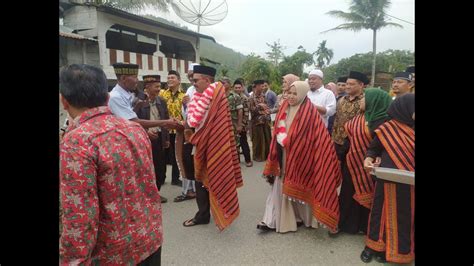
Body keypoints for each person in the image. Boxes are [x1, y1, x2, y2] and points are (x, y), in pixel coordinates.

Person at [60, 64, 163, 265]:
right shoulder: (135, 130)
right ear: (107, 98)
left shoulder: (77, 142)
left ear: (64, 101)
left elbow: (79, 216)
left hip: (112, 255)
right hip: (149, 241)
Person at [258, 81, 341, 233]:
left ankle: (303, 218)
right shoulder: (284, 107)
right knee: (280, 185)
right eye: (289, 93)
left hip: (304, 158)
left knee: (303, 186)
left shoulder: (310, 112)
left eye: (295, 94)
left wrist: (298, 146)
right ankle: (271, 220)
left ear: (303, 94)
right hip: (283, 157)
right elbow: (277, 131)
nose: (291, 96)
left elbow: (317, 138)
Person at [182, 65, 243, 230]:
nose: (193, 83)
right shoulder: (197, 97)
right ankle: (203, 215)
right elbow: (193, 121)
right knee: (200, 179)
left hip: (215, 145)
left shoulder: (218, 98)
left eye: (195, 80)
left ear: (207, 80)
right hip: (200, 144)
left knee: (212, 178)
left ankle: (214, 212)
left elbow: (217, 125)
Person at [360, 93, 415, 264]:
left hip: (409, 184)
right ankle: (373, 246)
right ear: (405, 108)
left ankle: (399, 250)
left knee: (404, 216)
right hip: (385, 180)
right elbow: (373, 148)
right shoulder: (388, 128)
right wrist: (368, 158)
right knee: (379, 214)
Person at [330, 70, 370, 237]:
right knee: (344, 184)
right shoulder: (341, 100)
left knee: (358, 184)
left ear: (362, 86)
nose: (347, 87)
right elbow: (337, 123)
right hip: (339, 146)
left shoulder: (366, 101)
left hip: (358, 149)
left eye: (352, 84)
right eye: (347, 84)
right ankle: (342, 220)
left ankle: (361, 224)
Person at [343, 88, 392, 211]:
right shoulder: (360, 117)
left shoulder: (384, 121)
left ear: (374, 100)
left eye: (365, 97)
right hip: (353, 163)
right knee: (349, 193)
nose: (361, 100)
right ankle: (349, 225)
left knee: (374, 194)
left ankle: (365, 226)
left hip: (373, 164)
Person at [108, 62, 179, 131]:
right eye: (135, 77)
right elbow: (134, 121)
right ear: (123, 78)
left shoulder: (129, 95)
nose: (137, 81)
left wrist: (137, 106)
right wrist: (166, 122)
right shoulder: (115, 97)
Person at [135, 75, 171, 203]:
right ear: (147, 87)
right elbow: (133, 122)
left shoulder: (162, 101)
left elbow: (165, 121)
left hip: (159, 137)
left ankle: (156, 191)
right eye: (156, 87)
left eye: (159, 86)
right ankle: (148, 194)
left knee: (160, 167)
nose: (159, 89)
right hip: (145, 138)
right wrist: (145, 131)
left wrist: (166, 138)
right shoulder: (138, 102)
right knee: (146, 167)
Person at [173, 63, 199, 202]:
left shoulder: (206, 91)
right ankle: (189, 190)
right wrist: (185, 105)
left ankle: (198, 190)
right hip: (188, 128)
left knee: (195, 160)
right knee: (186, 159)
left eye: (192, 74)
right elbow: (187, 112)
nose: (190, 77)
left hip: (199, 130)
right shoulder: (189, 89)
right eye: (188, 74)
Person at [160, 70, 187, 186]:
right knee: (162, 155)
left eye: (173, 78)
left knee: (176, 154)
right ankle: (161, 178)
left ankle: (175, 178)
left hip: (178, 130)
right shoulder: (162, 95)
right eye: (168, 77)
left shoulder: (184, 96)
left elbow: (186, 113)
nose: (170, 79)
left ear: (179, 80)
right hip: (165, 129)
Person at [249, 80, 272, 162]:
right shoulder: (251, 97)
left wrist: (266, 112)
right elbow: (252, 110)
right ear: (256, 87)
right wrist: (260, 106)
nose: (263, 88)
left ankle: (267, 155)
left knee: (267, 138)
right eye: (261, 86)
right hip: (257, 122)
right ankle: (258, 156)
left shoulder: (264, 96)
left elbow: (267, 107)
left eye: (263, 86)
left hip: (265, 121)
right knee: (258, 141)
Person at [233, 79, 253, 167]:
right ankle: (236, 162)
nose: (237, 89)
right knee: (234, 144)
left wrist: (241, 125)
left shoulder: (245, 99)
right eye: (236, 87)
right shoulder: (232, 98)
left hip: (242, 125)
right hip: (233, 125)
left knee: (243, 142)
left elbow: (246, 113)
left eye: (239, 87)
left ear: (242, 88)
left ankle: (248, 160)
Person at [222, 77, 244, 148]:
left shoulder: (235, 96)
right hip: (223, 125)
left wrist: (239, 125)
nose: (222, 85)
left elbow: (240, 111)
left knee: (235, 144)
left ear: (229, 84)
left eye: (224, 83)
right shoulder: (220, 97)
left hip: (233, 125)